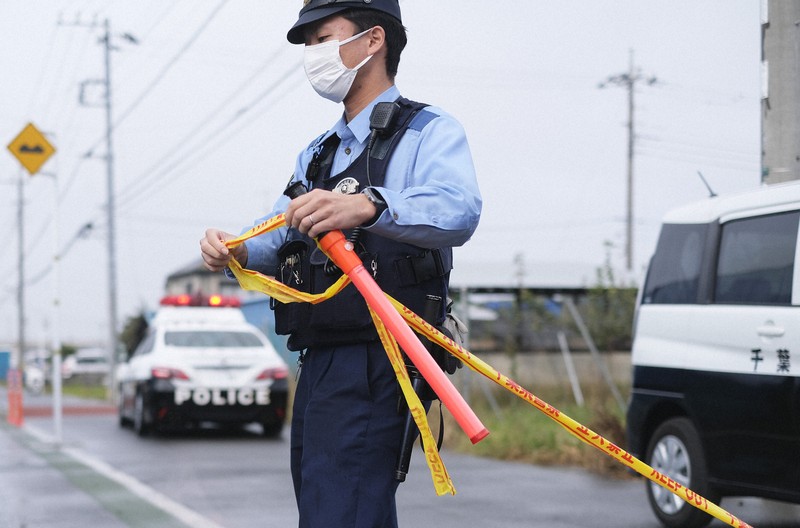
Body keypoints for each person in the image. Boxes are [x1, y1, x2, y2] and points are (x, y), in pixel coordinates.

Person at [200, 1, 481, 526]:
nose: (313, 55)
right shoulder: (319, 153)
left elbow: (459, 210)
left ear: (373, 40)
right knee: (329, 504)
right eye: (308, 45)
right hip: (320, 356)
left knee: (342, 509)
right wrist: (236, 247)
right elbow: (284, 231)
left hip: (379, 356)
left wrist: (370, 204)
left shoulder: (428, 130)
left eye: (322, 38)